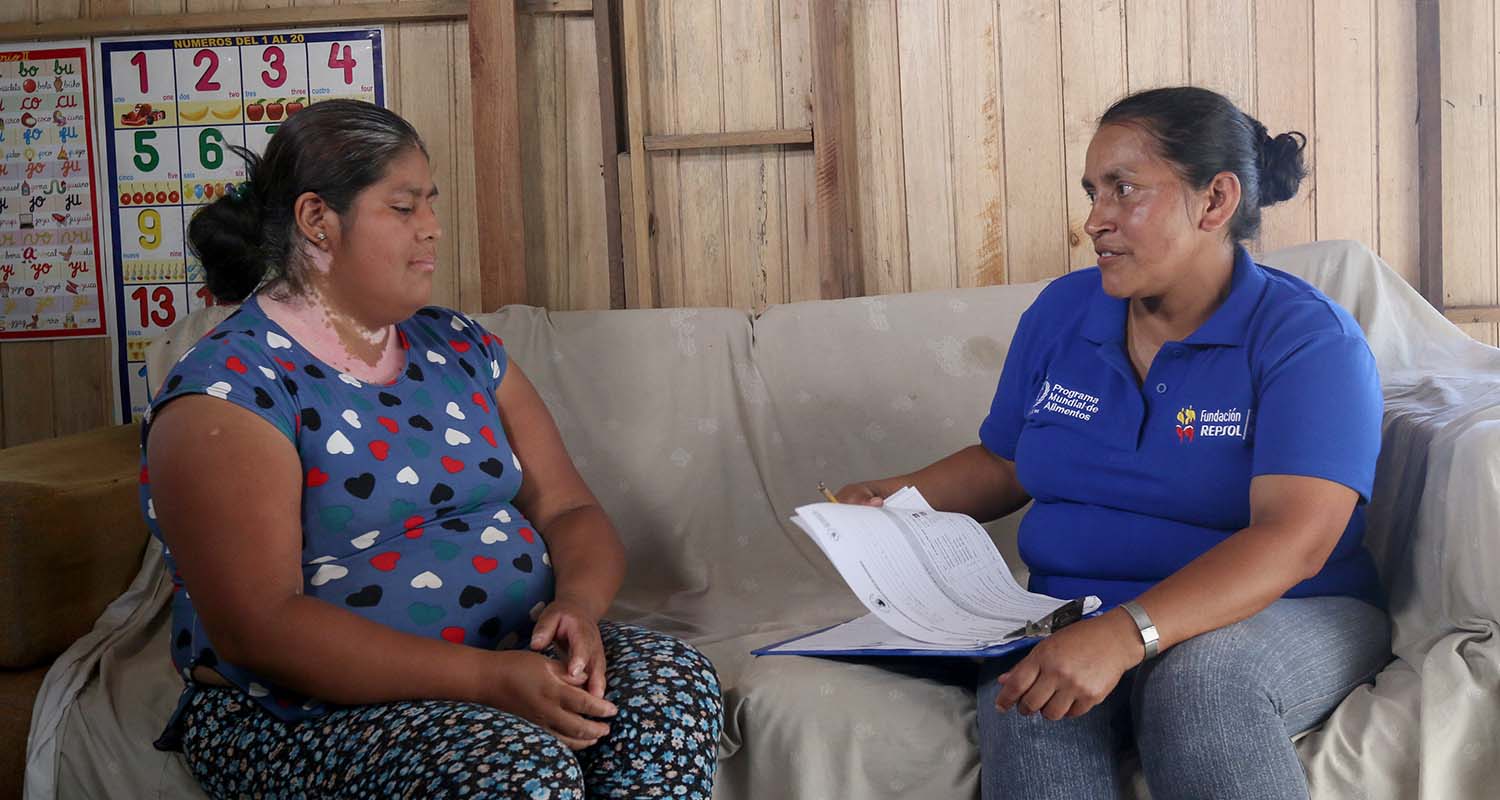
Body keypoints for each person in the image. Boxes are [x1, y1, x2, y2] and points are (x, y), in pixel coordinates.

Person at [141, 100, 721, 799]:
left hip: (509, 656)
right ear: (318, 222)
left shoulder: (462, 346)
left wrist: (578, 608)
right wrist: (487, 683)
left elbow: (568, 509)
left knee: (670, 690)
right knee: (515, 770)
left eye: (431, 204)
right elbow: (260, 627)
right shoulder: (229, 392)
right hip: (299, 708)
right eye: (404, 207)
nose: (433, 229)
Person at [836, 86, 1391, 800]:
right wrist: (895, 501)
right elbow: (1007, 461)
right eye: (1093, 192)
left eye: (1123, 191)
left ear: (1214, 201)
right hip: (1074, 611)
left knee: (1199, 685)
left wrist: (1127, 635)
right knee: (1031, 696)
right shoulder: (1063, 314)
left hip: (1287, 610)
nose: (1095, 220)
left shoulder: (1306, 340)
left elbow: (1296, 540)